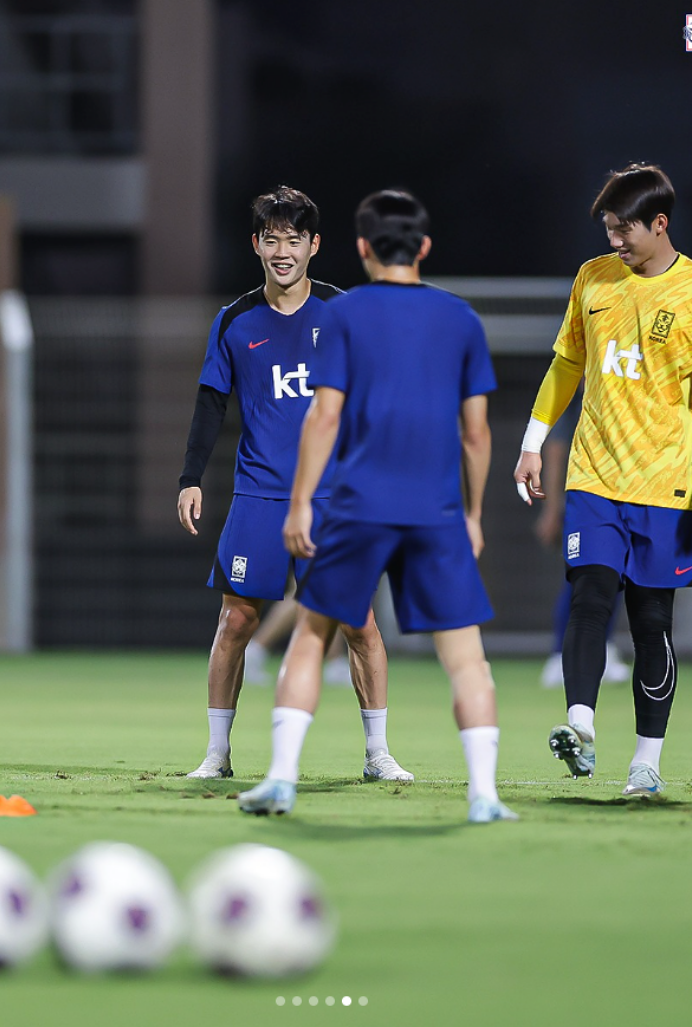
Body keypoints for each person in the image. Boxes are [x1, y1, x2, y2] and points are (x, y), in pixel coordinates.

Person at [238, 189, 515, 824]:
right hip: (435, 509)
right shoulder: (461, 319)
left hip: (358, 504)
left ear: (361, 248)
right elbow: (477, 433)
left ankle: (280, 780)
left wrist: (301, 502)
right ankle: (484, 795)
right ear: (423, 247)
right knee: (466, 656)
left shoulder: (344, 315)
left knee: (310, 638)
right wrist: (472, 515)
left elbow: (324, 414)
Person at [513, 163, 692, 796]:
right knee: (590, 593)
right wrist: (533, 444)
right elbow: (567, 364)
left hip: (665, 487)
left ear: (659, 224)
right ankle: (580, 727)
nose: (614, 240)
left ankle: (646, 760)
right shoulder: (593, 278)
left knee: (651, 622)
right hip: (593, 476)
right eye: (609, 228)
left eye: (624, 230)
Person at [177, 185, 412, 783]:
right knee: (235, 621)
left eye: (295, 239)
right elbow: (210, 404)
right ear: (257, 245)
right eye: (272, 238)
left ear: (314, 246)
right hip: (258, 493)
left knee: (358, 621)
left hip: (334, 496)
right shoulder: (234, 321)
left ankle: (378, 754)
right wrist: (190, 478)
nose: (283, 250)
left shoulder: (344, 314)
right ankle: (217, 753)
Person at [535, 390, 629, 689]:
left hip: (620, 503)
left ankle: (604, 648)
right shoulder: (576, 403)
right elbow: (555, 451)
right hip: (583, 506)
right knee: (580, 580)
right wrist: (552, 509)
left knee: (614, 581)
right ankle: (558, 655)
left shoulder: (621, 399)